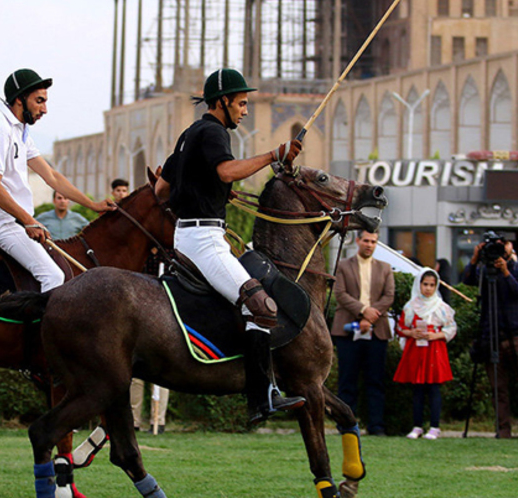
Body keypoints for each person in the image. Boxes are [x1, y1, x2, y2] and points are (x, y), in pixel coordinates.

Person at [154, 67, 305, 425]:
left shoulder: (189, 134)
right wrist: (273, 155)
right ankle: (261, 397)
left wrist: (210, 190)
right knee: (261, 305)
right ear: (222, 102)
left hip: (188, 236)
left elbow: (160, 190)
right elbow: (225, 171)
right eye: (241, 103)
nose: (245, 110)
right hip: (204, 240)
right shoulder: (213, 132)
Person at [0, 69, 115, 292]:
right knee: (54, 276)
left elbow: (52, 176)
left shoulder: (20, 130)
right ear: (19, 99)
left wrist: (93, 205)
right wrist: (29, 220)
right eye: (39, 101)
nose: (44, 109)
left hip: (16, 221)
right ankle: (45, 328)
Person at [464, 235, 518, 440]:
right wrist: (475, 258)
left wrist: (505, 272)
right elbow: (467, 280)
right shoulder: (485, 269)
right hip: (492, 333)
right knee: (498, 387)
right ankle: (503, 430)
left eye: (504, 245)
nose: (500, 249)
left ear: (511, 248)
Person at [331, 230, 396, 436]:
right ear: (358, 241)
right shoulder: (343, 266)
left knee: (375, 381)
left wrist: (370, 317)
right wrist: (362, 311)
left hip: (376, 331)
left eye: (373, 242)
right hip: (348, 330)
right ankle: (346, 425)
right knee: (347, 381)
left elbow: (389, 295)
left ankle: (376, 426)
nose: (369, 244)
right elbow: (340, 293)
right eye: (366, 240)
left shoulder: (385, 268)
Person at [394, 268, 456, 440]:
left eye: (432, 285)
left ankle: (435, 426)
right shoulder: (410, 306)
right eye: (425, 284)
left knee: (434, 389)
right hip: (416, 350)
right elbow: (400, 327)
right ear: (419, 285)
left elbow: (451, 328)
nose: (428, 288)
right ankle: (417, 426)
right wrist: (411, 333)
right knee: (417, 389)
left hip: (434, 351)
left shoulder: (442, 308)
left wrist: (436, 335)